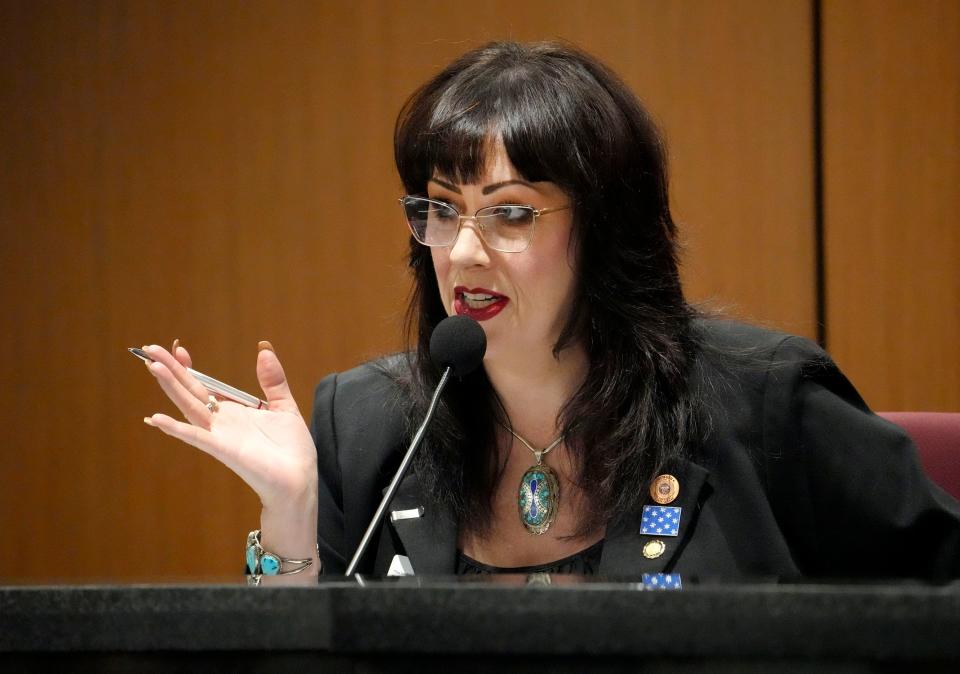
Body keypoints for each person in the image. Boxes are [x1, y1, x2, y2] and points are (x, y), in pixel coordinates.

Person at [141, 41, 960, 580]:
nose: (461, 253)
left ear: (605, 228)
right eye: (440, 208)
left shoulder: (766, 404)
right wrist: (289, 516)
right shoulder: (366, 425)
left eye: (511, 213)